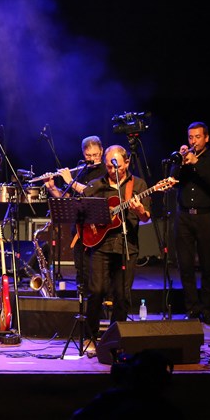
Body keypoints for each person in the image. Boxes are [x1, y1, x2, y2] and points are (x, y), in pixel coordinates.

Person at [83, 145, 150, 345]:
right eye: (110, 167)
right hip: (100, 244)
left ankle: (114, 339)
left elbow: (146, 217)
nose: (113, 171)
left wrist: (139, 210)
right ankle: (90, 336)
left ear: (127, 163)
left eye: (118, 166)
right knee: (96, 291)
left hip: (126, 245)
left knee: (122, 295)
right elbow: (82, 213)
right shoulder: (96, 186)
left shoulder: (138, 184)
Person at [170, 122, 210, 325]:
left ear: (206, 138)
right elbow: (173, 179)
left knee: (208, 265)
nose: (193, 141)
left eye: (198, 137)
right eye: (190, 137)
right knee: (185, 265)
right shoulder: (185, 158)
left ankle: (206, 309)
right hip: (184, 216)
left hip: (205, 217)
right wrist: (180, 161)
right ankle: (192, 308)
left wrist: (196, 163)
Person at [43, 135, 108, 298]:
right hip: (80, 231)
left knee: (99, 274)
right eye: (88, 155)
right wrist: (52, 188)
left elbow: (91, 193)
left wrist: (70, 181)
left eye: (95, 155)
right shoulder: (81, 171)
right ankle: (83, 304)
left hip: (100, 231)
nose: (92, 159)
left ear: (101, 151)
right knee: (82, 272)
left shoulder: (107, 171)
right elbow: (68, 199)